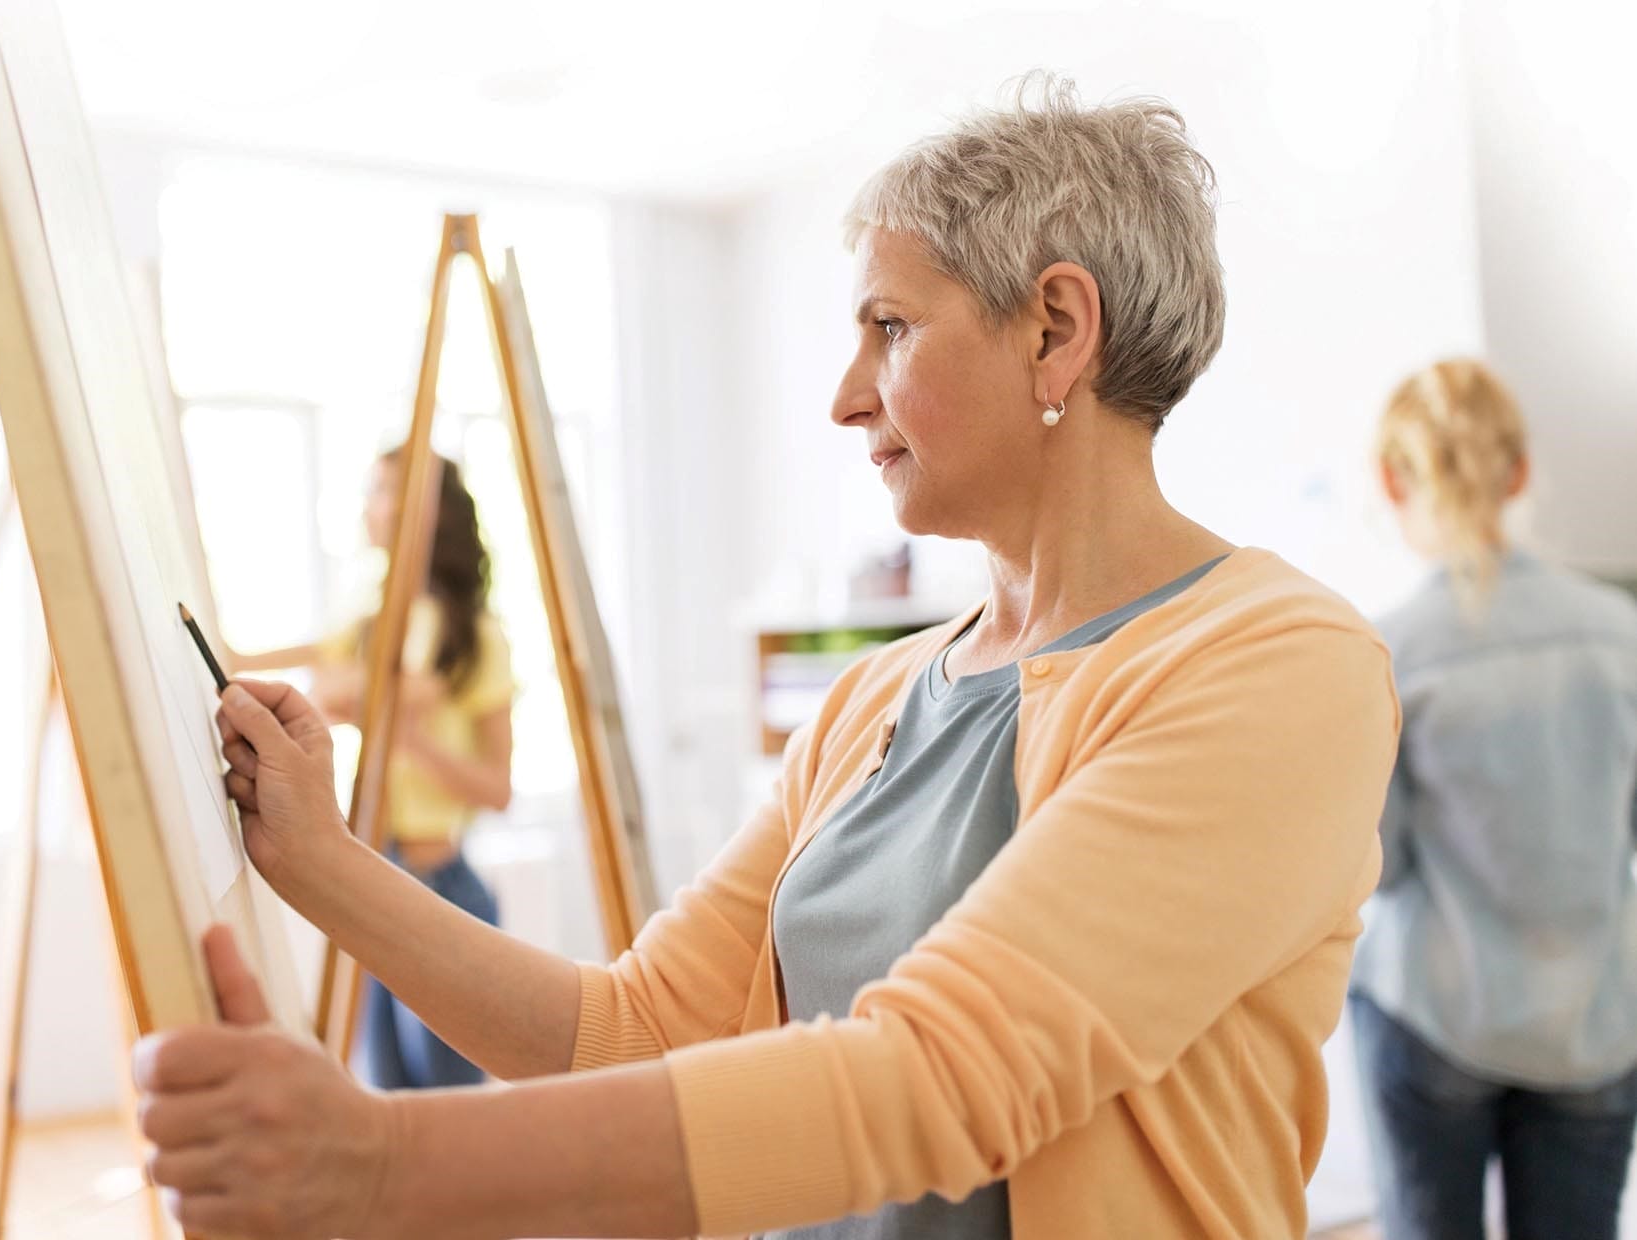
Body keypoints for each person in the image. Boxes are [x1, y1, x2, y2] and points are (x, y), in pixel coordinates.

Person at [132, 77, 1399, 1240]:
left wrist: (380, 1162)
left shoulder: (1282, 667)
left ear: (1057, 329)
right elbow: (630, 1031)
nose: (847, 397)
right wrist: (316, 856)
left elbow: (947, 1072)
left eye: (890, 326)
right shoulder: (874, 696)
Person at [1349, 360, 1637, 1240]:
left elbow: (1381, 864)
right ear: (1517, 472)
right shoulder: (1621, 632)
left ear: (1393, 481)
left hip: (1438, 1019)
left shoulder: (1388, 653)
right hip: (1595, 1019)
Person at [229, 448, 513, 1089]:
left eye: (383, 490)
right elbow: (316, 684)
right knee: (385, 1103)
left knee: (450, 1110)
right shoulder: (368, 619)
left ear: (428, 512)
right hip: (373, 870)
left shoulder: (473, 635)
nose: (369, 506)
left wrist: (406, 734)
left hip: (440, 883)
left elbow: (497, 789)